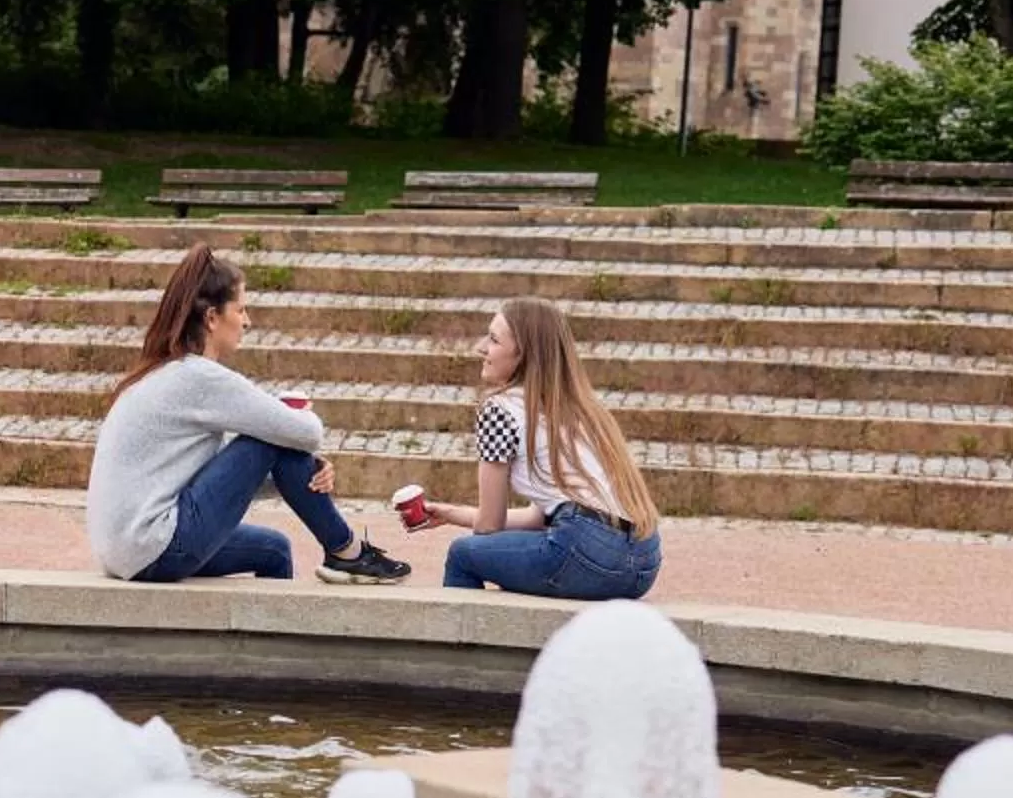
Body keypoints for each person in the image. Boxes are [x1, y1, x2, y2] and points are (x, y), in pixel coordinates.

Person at [86, 244, 412, 586]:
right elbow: (306, 433)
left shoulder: (164, 372)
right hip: (155, 546)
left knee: (274, 549)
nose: (247, 321)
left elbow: (222, 479)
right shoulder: (199, 377)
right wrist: (300, 439)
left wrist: (304, 473)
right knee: (269, 439)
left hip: (125, 551)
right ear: (212, 318)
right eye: (241, 310)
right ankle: (347, 551)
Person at [410, 297, 662, 601]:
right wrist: (451, 514)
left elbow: (489, 526)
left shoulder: (499, 409)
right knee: (517, 555)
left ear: (523, 353)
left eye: (493, 339)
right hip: (643, 563)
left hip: (586, 553)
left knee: (464, 554)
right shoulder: (579, 408)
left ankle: (465, 648)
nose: (481, 348)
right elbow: (536, 519)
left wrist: (481, 535)